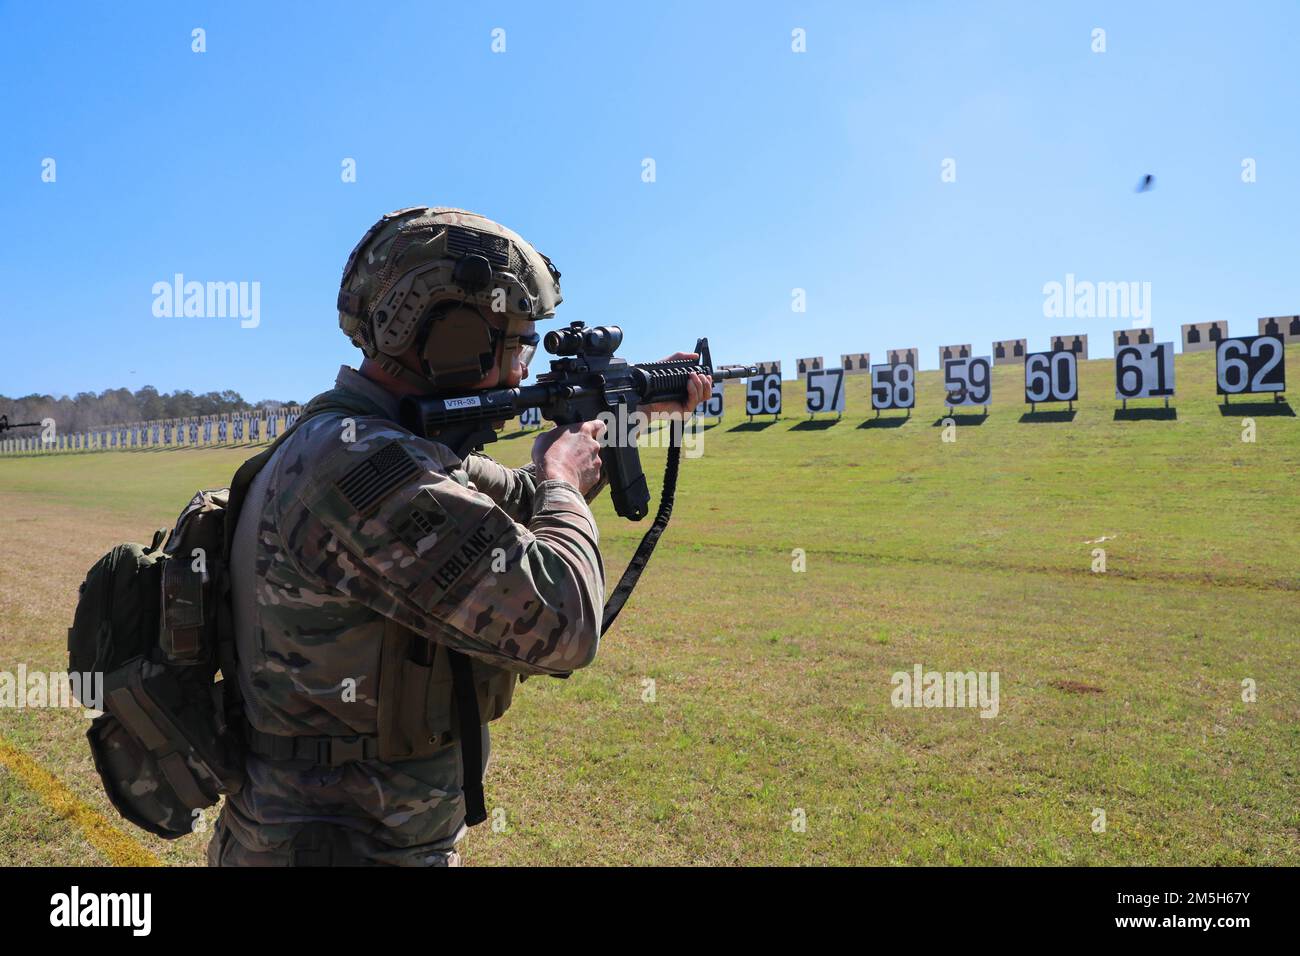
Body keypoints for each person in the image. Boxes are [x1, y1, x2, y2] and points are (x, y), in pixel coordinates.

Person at [206, 206, 709, 866]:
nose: (522, 374)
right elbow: (564, 622)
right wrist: (562, 472)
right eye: (516, 346)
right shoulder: (362, 467)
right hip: (338, 846)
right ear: (446, 335)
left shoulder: (376, 445)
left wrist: (623, 413)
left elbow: (519, 508)